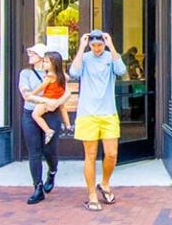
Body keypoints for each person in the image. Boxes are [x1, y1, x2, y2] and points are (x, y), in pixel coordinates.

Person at [70, 29, 126, 212]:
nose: (96, 48)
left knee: (111, 153)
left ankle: (105, 183)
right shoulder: (85, 58)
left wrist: (111, 45)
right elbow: (74, 72)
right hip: (88, 113)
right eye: (93, 45)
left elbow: (122, 70)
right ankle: (92, 195)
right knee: (91, 155)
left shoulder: (111, 56)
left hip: (108, 112)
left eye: (100, 45)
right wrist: (81, 47)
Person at [19, 44, 71, 205]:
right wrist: (48, 100)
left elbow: (68, 92)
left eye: (33, 53)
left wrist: (57, 103)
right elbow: (26, 94)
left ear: (43, 57)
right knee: (34, 151)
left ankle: (52, 171)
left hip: (52, 114)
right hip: (30, 114)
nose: (30, 55)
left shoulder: (56, 74)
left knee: (50, 150)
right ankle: (38, 188)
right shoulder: (25, 73)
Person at [29, 52, 72, 144]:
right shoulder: (62, 75)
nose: (44, 64)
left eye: (46, 62)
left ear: (54, 64)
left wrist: (32, 94)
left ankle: (48, 130)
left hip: (49, 99)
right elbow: (67, 78)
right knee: (62, 108)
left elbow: (42, 87)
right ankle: (68, 125)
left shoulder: (50, 76)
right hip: (58, 97)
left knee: (35, 114)